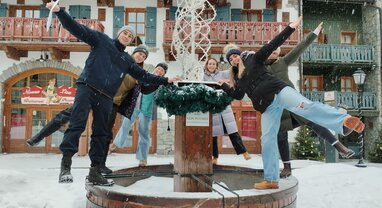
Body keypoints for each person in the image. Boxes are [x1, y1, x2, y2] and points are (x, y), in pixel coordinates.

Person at [217, 16, 365, 190]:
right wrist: (226, 87)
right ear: (229, 63)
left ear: (240, 55)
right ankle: (271, 179)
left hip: (280, 92)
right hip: (267, 108)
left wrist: (290, 28)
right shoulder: (239, 78)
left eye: (235, 55)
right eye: (230, 59)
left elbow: (272, 45)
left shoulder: (253, 59)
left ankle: (344, 120)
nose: (234, 59)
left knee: (307, 107)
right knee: (267, 139)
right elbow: (238, 95)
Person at [46, 2, 180, 186]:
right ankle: (66, 167)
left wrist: (166, 80)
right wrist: (60, 12)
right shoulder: (101, 40)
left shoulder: (126, 60)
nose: (127, 36)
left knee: (101, 134)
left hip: (106, 97)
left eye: (131, 35)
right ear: (119, 33)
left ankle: (95, 172)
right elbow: (78, 29)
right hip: (87, 87)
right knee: (77, 125)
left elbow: (144, 75)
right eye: (125, 32)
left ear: (132, 41)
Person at [26, 44, 153, 175]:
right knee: (66, 115)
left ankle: (100, 165)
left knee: (105, 134)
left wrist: (162, 82)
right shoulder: (120, 61)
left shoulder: (138, 74)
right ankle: (38, 137)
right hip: (97, 94)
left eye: (143, 56)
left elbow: (146, 88)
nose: (141, 56)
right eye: (139, 53)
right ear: (133, 53)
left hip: (112, 103)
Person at [266, 22, 355, 178]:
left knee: (314, 121)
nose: (273, 52)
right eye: (270, 50)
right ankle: (287, 167)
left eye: (275, 51)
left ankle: (339, 146)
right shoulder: (260, 69)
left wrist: (314, 33)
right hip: (277, 107)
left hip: (294, 102)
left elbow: (299, 48)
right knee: (281, 135)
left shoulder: (283, 62)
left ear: (278, 53)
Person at [110, 63, 168, 167]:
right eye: (158, 69)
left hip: (147, 110)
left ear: (163, 74)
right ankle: (115, 144)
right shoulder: (145, 76)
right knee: (126, 124)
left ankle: (142, 159)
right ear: (155, 69)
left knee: (144, 133)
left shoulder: (161, 84)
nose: (159, 71)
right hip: (134, 106)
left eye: (162, 71)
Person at [202, 58, 251, 164]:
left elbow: (233, 74)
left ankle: (244, 152)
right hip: (212, 106)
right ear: (206, 65)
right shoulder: (202, 75)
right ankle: (214, 157)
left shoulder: (222, 73)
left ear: (216, 65)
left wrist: (226, 81)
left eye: (213, 64)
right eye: (209, 64)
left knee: (232, 129)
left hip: (224, 105)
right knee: (213, 134)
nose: (211, 65)